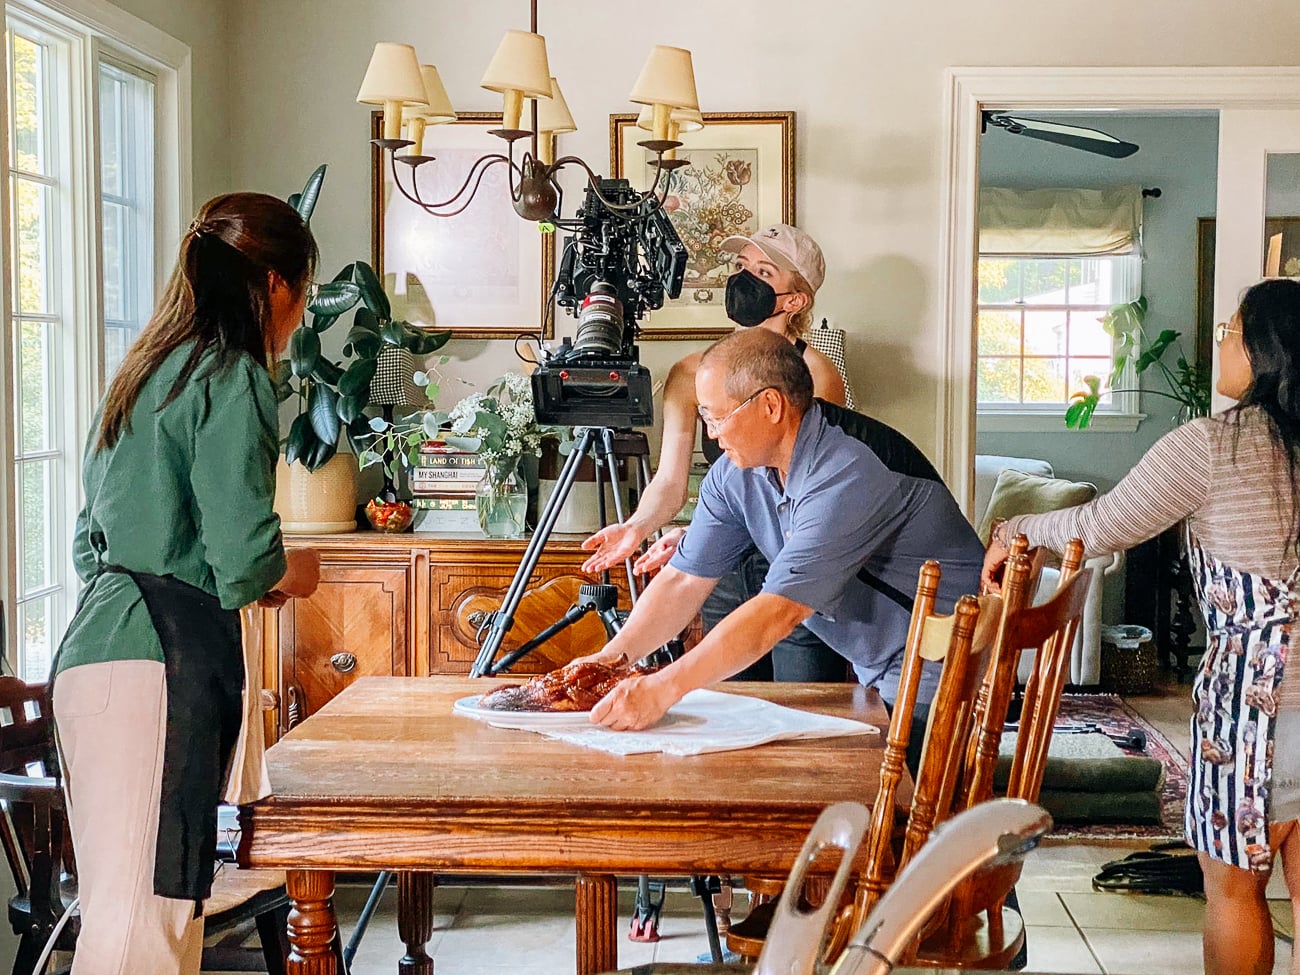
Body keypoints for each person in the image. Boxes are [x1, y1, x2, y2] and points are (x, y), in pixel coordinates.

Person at [981, 278, 1300, 975]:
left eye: (1230, 328)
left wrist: (1013, 528)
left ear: (1262, 349)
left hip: (1258, 709)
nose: (1220, 339)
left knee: (1235, 888)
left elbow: (1100, 525)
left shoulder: (1213, 445)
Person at [52, 193, 323, 975]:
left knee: (126, 915)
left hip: (93, 656)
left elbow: (91, 542)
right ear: (273, 285)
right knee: (148, 929)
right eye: (299, 297)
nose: (298, 318)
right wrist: (290, 572)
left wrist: (198, 572)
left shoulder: (139, 372)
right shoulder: (233, 375)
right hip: (157, 673)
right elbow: (243, 557)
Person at [576, 327, 984, 732]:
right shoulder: (735, 474)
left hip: (942, 673)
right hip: (882, 669)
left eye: (717, 417)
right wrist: (608, 661)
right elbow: (683, 579)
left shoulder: (848, 470)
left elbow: (778, 612)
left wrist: (663, 688)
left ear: (770, 405)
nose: (712, 434)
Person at [582, 224, 850, 680]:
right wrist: (637, 526)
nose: (744, 280)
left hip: (794, 566)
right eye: (742, 267)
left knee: (804, 714)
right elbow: (669, 481)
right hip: (726, 569)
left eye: (764, 272)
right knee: (733, 713)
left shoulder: (816, 376)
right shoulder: (692, 374)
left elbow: (814, 491)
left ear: (794, 300)